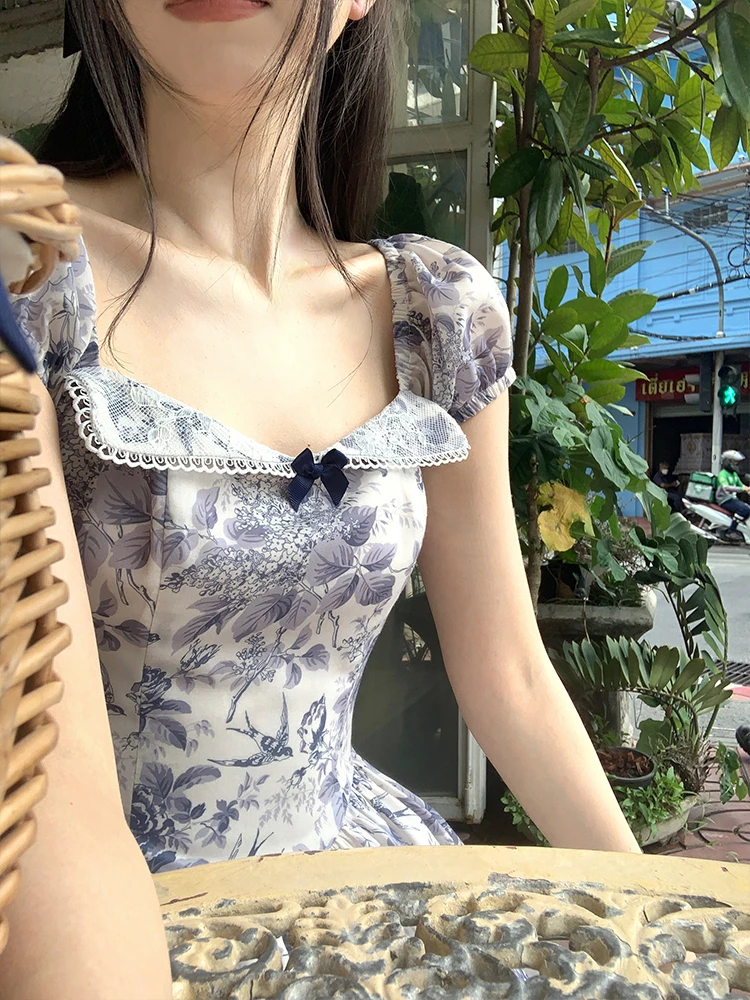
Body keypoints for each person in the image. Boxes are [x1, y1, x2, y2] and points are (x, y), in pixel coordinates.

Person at [2, 0, 639, 995]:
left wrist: (656, 921)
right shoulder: (25, 273)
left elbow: (511, 673)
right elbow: (57, 794)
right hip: (112, 932)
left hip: (373, 898)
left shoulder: (437, 310)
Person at [716, 450, 750, 531]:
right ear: (728, 462)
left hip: (732, 499)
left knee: (748, 508)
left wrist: (747, 489)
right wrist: (742, 489)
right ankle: (731, 530)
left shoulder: (734, 474)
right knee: (744, 509)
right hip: (725, 500)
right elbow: (726, 487)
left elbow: (741, 485)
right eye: (735, 462)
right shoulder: (723, 474)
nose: (737, 464)